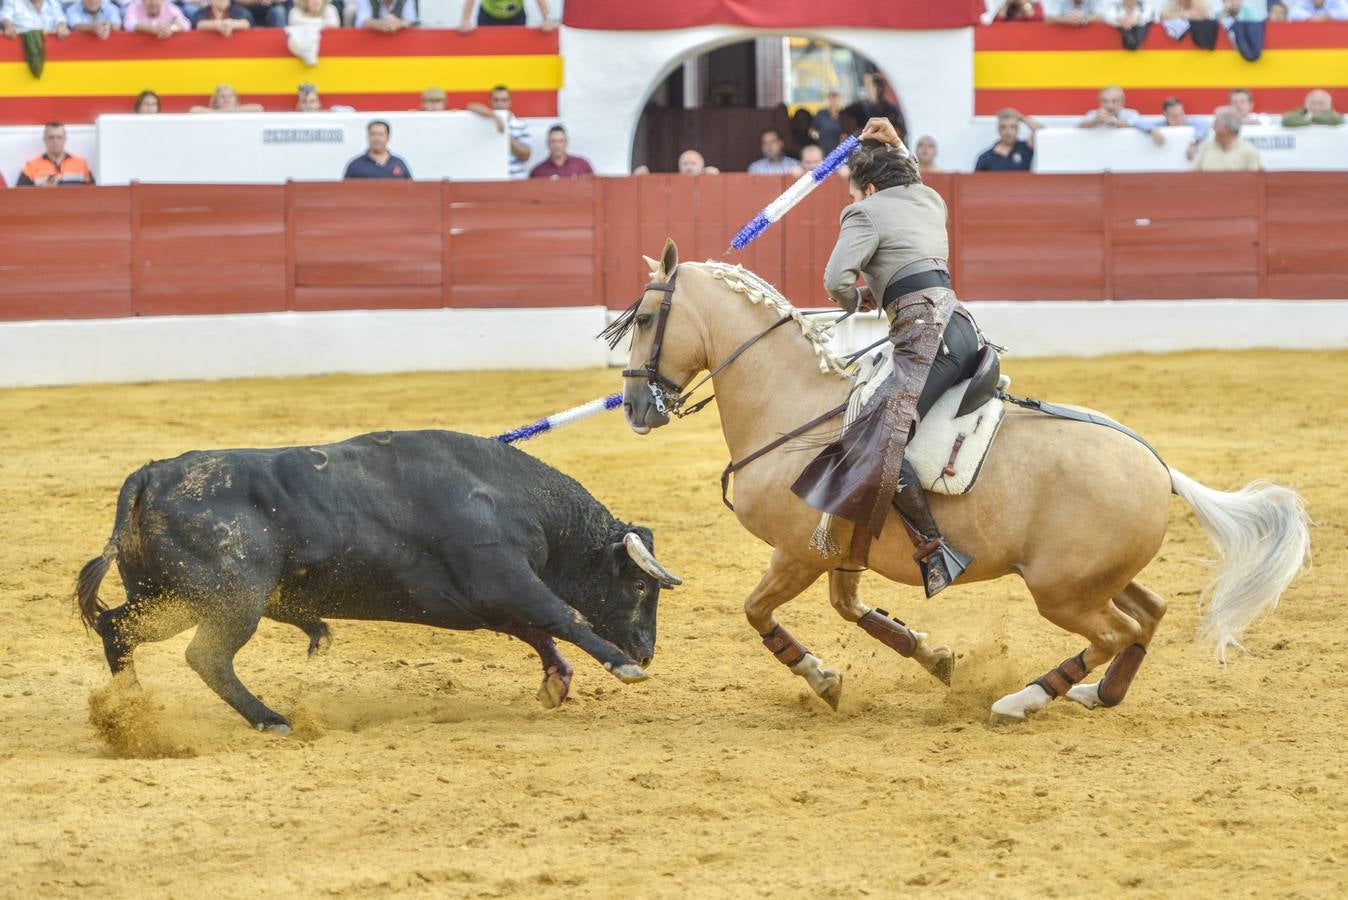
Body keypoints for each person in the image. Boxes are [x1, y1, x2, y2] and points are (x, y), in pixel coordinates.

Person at [793, 117, 992, 593]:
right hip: (961, 330)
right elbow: (911, 179)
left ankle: (935, 551)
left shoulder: (865, 212)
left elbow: (835, 279)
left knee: (879, 439)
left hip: (925, 340)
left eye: (854, 192)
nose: (852, 201)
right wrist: (897, 143)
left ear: (872, 187)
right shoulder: (929, 198)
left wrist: (857, 300)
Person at [467, 84, 530, 179]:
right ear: (490, 102)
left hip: (515, 178)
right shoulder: (486, 122)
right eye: (496, 100)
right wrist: (494, 116)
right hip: (492, 178)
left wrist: (506, 137)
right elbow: (471, 106)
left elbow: (525, 156)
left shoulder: (520, 125)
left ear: (510, 102)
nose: (500, 104)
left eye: (504, 100)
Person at [16, 122, 94, 186]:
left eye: (59, 137)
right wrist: (42, 190)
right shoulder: (31, 166)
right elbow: (19, 196)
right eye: (51, 137)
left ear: (65, 139)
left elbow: (93, 194)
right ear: (44, 139)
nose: (55, 141)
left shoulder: (81, 164)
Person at [844, 73, 906, 147]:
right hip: (864, 148)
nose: (878, 89)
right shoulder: (859, 107)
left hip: (885, 149)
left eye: (880, 86)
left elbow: (899, 132)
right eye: (874, 86)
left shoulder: (891, 109)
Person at [1192, 106, 1262, 171]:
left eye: (1216, 123)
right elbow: (1193, 176)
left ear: (1228, 127)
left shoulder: (1249, 152)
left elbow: (1256, 181)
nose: (1212, 126)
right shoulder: (1206, 148)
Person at [974, 108, 1042, 171]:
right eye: (1003, 127)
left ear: (1017, 129)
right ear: (998, 129)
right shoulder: (985, 157)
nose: (1008, 131)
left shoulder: (1025, 149)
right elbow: (975, 182)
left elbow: (1040, 131)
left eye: (1012, 127)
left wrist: (1021, 117)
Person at [343, 120, 411, 179]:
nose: (376, 138)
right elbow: (344, 191)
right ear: (368, 136)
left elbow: (411, 190)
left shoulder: (399, 163)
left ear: (388, 137)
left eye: (380, 134)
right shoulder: (355, 165)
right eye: (373, 134)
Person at [528, 125, 593, 178]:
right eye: (553, 141)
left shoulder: (582, 165)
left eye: (560, 141)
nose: (557, 145)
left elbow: (594, 188)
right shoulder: (538, 172)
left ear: (566, 142)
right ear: (547, 143)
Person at [458, 0, 558, 32]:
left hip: (516, 17)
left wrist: (547, 18)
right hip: (488, 17)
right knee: (488, 52)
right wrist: (465, 20)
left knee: (516, 51)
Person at [2, 0, 71, 36]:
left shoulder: (53, 3)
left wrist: (62, 26)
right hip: (18, 49)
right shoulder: (13, 1)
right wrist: (8, 26)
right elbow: (5, 17)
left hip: (50, 50)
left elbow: (61, 19)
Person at [123, 0, 191, 35]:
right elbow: (128, 24)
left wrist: (171, 28)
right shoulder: (134, 7)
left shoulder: (169, 7)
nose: (153, 3)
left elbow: (185, 23)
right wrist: (152, 29)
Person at [190, 84, 263, 112]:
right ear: (215, 101)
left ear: (236, 100)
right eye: (222, 96)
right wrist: (220, 112)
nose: (226, 99)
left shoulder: (241, 112)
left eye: (230, 96)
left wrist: (232, 111)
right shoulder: (211, 113)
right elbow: (193, 110)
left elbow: (259, 108)